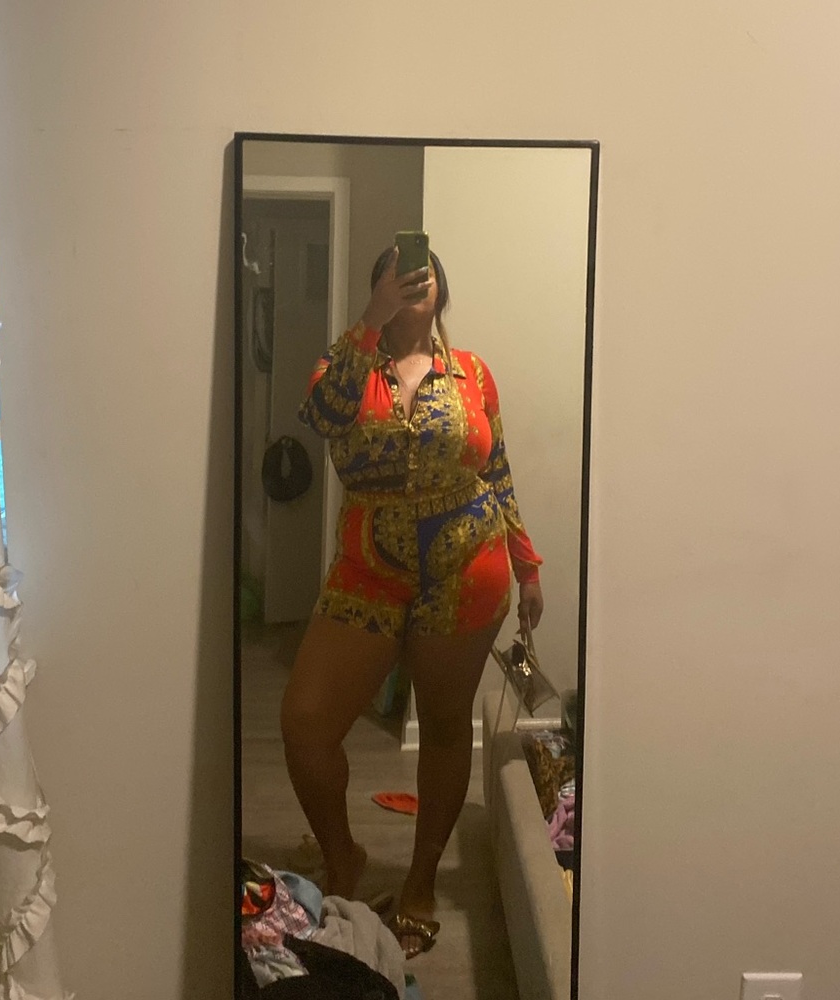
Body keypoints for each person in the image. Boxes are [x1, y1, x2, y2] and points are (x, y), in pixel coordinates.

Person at [280, 244, 544, 959]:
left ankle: (422, 881)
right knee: (305, 723)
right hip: (367, 572)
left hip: (468, 570)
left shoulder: (473, 374)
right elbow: (323, 415)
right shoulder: (343, 367)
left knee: (447, 726)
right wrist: (371, 322)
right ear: (379, 290)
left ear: (441, 291)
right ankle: (343, 857)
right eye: (393, 273)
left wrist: (527, 565)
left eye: (422, 271)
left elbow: (496, 467)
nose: (411, 278)